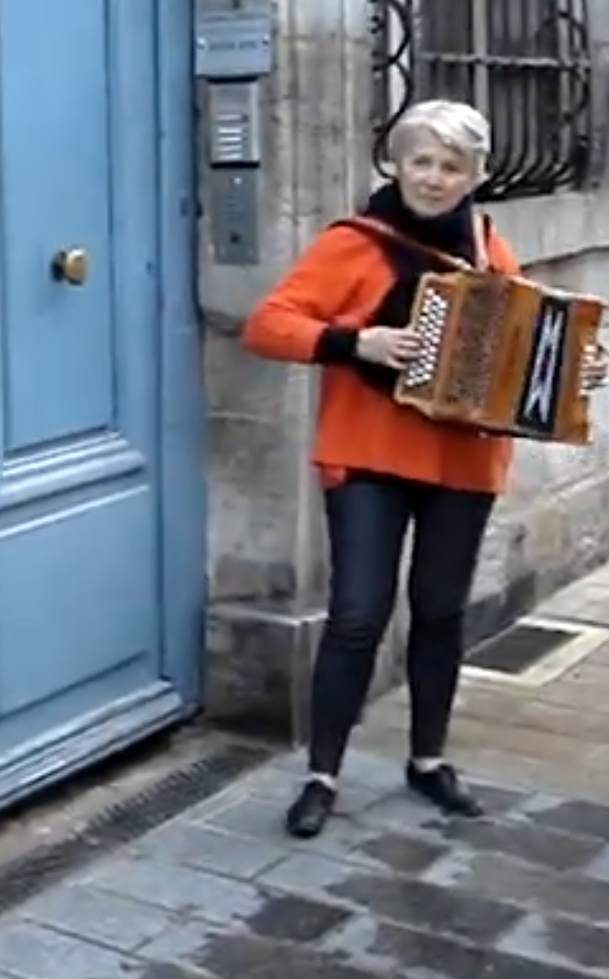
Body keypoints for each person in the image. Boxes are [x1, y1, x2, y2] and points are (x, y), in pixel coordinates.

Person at [241, 99, 607, 839]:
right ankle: (323, 773)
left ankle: (429, 760)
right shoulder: (355, 244)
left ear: (473, 175)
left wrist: (576, 366)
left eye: (452, 166)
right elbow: (267, 326)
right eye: (422, 162)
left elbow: (526, 342)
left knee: (440, 615)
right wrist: (358, 344)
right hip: (369, 455)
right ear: (396, 163)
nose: (434, 179)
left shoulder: (486, 247)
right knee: (356, 617)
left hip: (462, 462)